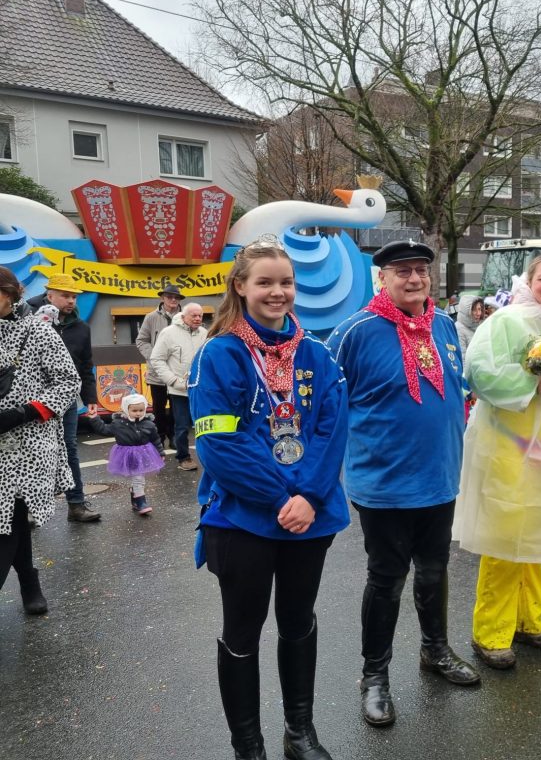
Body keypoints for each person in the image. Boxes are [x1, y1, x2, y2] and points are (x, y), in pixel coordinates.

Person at [189, 236, 349, 760]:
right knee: (243, 630)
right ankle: (249, 746)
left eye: (286, 282)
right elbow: (218, 444)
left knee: (298, 621)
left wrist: (309, 495)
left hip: (310, 515)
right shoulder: (219, 354)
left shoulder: (317, 352)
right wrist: (282, 497)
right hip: (244, 518)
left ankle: (299, 733)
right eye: (265, 282)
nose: (277, 292)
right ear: (241, 286)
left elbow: (331, 429)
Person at [328, 239, 479, 729]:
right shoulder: (355, 331)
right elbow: (325, 403)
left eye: (421, 270)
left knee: (434, 570)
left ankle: (435, 650)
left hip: (440, 477)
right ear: (383, 278)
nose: (414, 279)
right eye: (403, 271)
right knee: (387, 580)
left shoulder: (444, 324)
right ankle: (375, 676)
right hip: (385, 483)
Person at [455, 256, 541, 670]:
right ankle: (491, 632)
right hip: (508, 445)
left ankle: (529, 619)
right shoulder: (506, 320)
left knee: (537, 532)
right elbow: (478, 372)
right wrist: (531, 383)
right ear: (529, 279)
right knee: (504, 539)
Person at [0, 267, 80, 616]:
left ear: (9, 294)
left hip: (28, 446)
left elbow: (69, 382)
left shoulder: (38, 330)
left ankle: (29, 584)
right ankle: (30, 582)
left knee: (9, 517)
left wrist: (25, 413)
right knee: (10, 518)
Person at [27, 274, 100, 522]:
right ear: (50, 296)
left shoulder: (81, 328)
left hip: (65, 399)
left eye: (74, 296)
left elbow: (85, 364)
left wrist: (90, 397)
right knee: (32, 451)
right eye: (66, 296)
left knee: (69, 449)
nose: (71, 301)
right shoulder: (29, 319)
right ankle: (28, 509)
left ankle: (76, 504)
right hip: (33, 399)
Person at [150, 302, 208, 472]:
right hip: (179, 389)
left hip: (201, 388)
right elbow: (156, 359)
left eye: (200, 315)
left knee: (205, 424)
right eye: (194, 315)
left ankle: (209, 457)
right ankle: (184, 457)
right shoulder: (169, 333)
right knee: (182, 426)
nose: (198, 318)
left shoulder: (204, 333)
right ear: (183, 316)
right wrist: (173, 381)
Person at [88, 393, 164, 515]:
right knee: (138, 478)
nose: (138, 413)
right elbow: (104, 430)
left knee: (139, 477)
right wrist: (94, 418)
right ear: (126, 409)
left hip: (143, 454)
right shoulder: (118, 424)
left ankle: (136, 497)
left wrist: (160, 452)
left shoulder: (149, 424)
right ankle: (141, 502)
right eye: (134, 410)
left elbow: (155, 439)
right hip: (126, 455)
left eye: (141, 410)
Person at [135, 284, 184, 448]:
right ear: (162, 298)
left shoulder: (186, 317)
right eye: (169, 297)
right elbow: (141, 340)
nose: (173, 300)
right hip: (157, 373)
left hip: (178, 372)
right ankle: (159, 438)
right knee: (158, 408)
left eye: (176, 297)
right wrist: (154, 357)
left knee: (178, 408)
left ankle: (174, 436)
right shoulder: (150, 317)